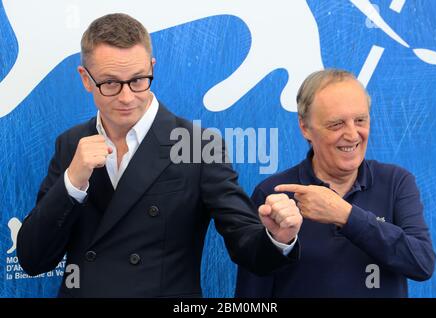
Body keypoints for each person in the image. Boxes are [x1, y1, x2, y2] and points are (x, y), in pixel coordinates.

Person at [17, 13, 302, 298]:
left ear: (152, 67)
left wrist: (278, 238)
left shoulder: (198, 145)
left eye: (138, 80)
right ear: (85, 79)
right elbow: (33, 259)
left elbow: (246, 243)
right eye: (110, 83)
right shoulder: (70, 145)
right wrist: (72, 182)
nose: (127, 97)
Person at [235, 69, 436, 298]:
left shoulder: (396, 182)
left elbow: (422, 263)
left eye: (360, 120)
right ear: (305, 127)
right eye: (336, 124)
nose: (352, 135)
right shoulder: (273, 193)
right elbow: (251, 293)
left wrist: (346, 216)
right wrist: (279, 244)